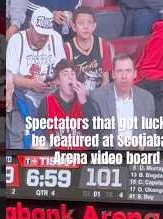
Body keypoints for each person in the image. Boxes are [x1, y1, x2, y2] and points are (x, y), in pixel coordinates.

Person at [6, 7, 66, 148]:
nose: (43, 38)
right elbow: (8, 76)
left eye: (46, 35)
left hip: (51, 94)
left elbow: (63, 68)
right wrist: (30, 83)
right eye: (39, 34)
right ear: (30, 27)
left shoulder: (55, 38)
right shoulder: (17, 41)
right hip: (24, 95)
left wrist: (57, 79)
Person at [89, 54, 156, 149]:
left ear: (135, 74)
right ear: (113, 74)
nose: (124, 76)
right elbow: (96, 137)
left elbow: (151, 138)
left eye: (128, 71)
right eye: (120, 71)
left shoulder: (147, 98)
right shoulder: (98, 98)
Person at [37, 59, 98, 149]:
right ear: (57, 81)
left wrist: (84, 103)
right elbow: (42, 136)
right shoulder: (46, 103)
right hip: (57, 158)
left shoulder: (85, 99)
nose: (70, 77)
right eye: (65, 74)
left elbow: (95, 132)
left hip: (82, 157)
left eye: (73, 74)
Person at [64, 6, 112, 93]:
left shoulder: (102, 43)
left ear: (94, 26)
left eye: (89, 23)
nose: (86, 26)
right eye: (81, 23)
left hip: (99, 94)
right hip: (76, 95)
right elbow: (67, 83)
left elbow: (106, 80)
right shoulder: (68, 48)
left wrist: (97, 97)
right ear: (74, 27)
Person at [7, 0, 82, 41]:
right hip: (35, 21)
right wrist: (49, 13)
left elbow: (77, 3)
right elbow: (27, 4)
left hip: (63, 25)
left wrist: (73, 13)